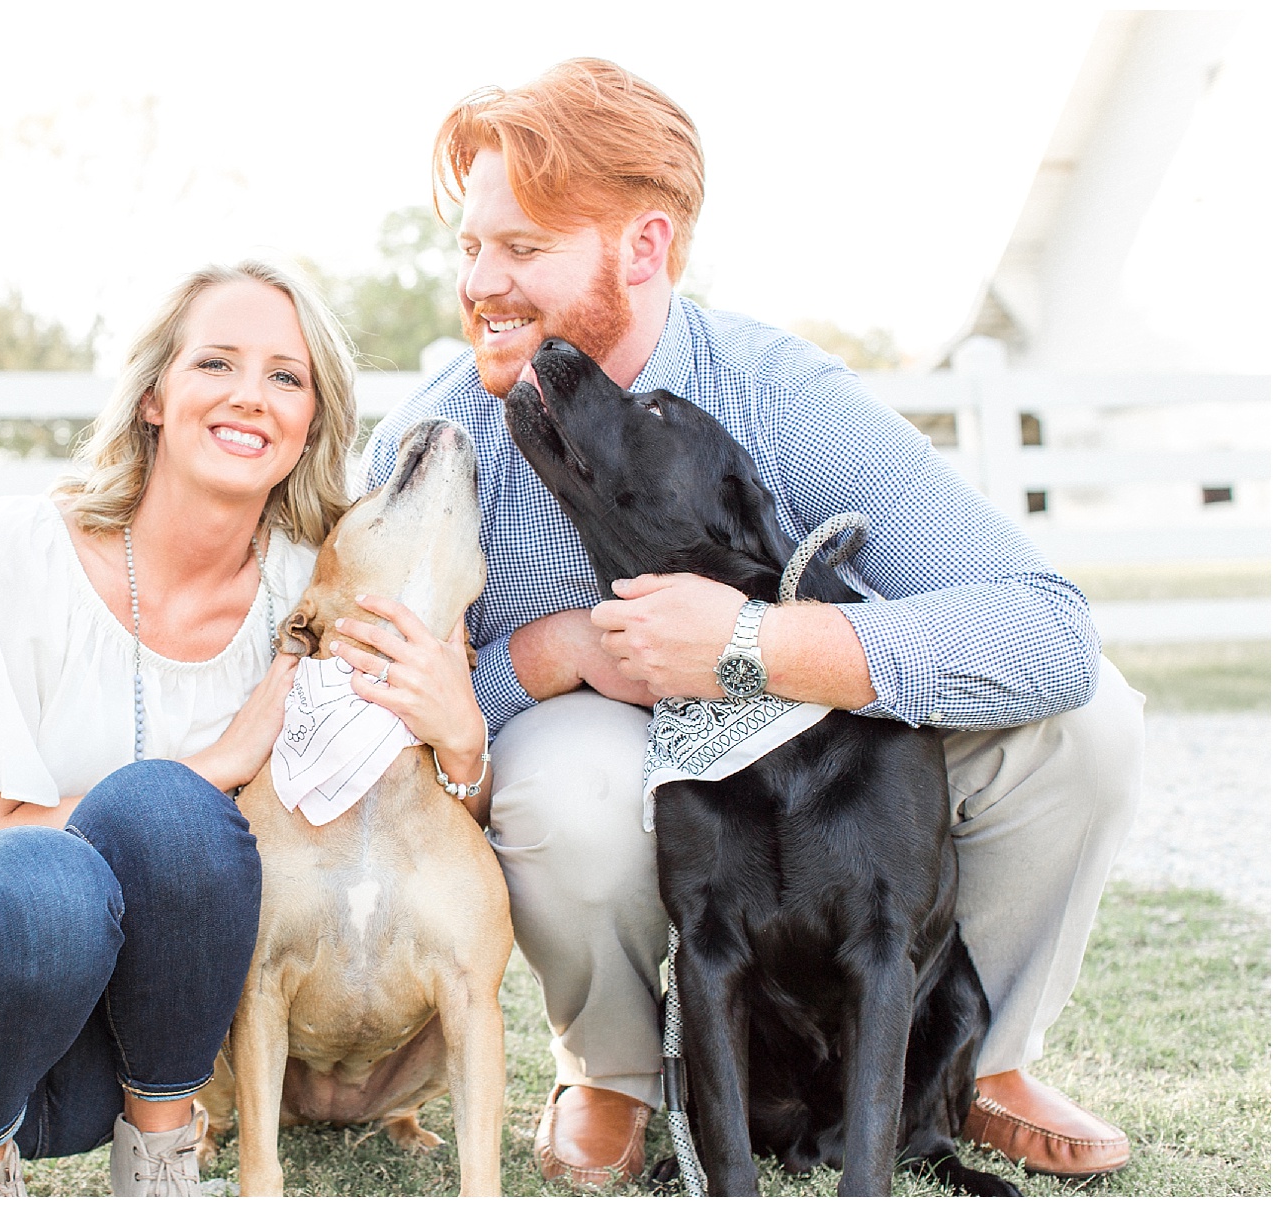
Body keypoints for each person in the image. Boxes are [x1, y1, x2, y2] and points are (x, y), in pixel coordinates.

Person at [364, 58, 1143, 1187]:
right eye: (471, 247)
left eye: (523, 249)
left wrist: (758, 647)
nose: (482, 282)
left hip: (820, 732)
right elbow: (382, 704)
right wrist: (555, 653)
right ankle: (618, 1077)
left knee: (1092, 723)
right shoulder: (437, 440)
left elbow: (1049, 631)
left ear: (646, 247)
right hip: (620, 749)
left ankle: (983, 1063)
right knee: (568, 783)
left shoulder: (778, 392)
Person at [0, 261, 370, 1197]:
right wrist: (220, 761)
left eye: (286, 376)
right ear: (152, 397)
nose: (251, 397)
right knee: (66, 865)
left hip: (124, 1056)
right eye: (216, 363)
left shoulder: (313, 589)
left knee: (169, 820)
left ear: (311, 420)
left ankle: (162, 1164)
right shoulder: (17, 550)